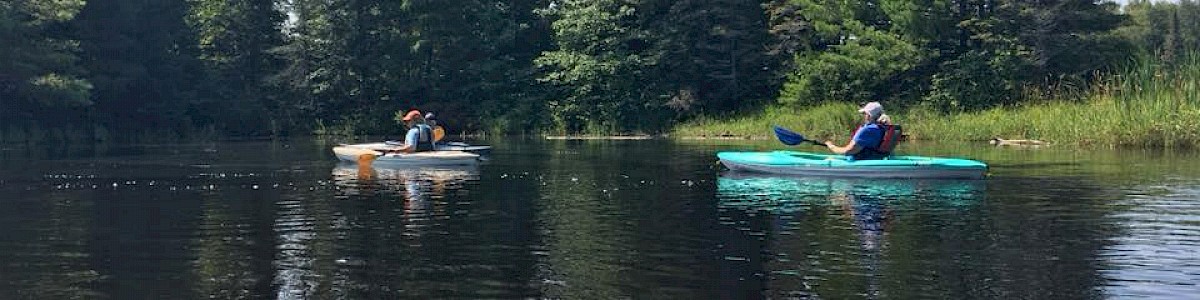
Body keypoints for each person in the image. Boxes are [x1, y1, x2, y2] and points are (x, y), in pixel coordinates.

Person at [824, 102, 896, 161]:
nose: (864, 116)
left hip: (863, 161)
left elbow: (847, 151)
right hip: (879, 159)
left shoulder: (867, 130)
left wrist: (831, 146)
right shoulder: (884, 128)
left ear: (869, 115)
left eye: (864, 114)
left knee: (828, 159)